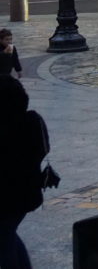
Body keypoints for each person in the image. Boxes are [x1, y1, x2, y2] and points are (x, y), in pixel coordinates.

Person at [0, 76, 49, 269]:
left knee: (4, 239)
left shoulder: (8, 131)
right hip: (26, 193)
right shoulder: (31, 120)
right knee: (7, 234)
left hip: (8, 197)